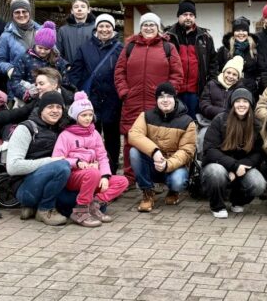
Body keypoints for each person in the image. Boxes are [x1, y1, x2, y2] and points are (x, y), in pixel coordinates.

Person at [114, 12, 184, 186]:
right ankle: (130, 178)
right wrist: (124, 92)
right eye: (145, 24)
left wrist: (168, 95)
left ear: (158, 27)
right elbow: (119, 72)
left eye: (152, 24)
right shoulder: (130, 46)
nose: (148, 27)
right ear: (140, 27)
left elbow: (177, 74)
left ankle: (155, 177)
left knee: (157, 139)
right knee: (131, 138)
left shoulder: (168, 47)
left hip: (157, 103)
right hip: (133, 101)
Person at [52, 92, 130, 227]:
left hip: (94, 174)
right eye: (83, 115)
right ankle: (80, 210)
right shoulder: (65, 135)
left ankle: (94, 204)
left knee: (122, 181)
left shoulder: (95, 133)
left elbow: (102, 156)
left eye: (90, 115)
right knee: (93, 173)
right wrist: (76, 162)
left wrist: (105, 176)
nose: (88, 118)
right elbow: (57, 158)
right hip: (73, 175)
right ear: (75, 116)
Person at [2, 90, 75, 226]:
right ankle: (45, 210)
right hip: (25, 187)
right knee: (62, 166)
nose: (55, 111)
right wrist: (50, 162)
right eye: (50, 107)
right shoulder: (26, 128)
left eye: (58, 107)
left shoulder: (62, 128)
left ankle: (34, 207)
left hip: (53, 184)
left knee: (91, 204)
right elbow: (13, 167)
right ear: (41, 109)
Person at [127, 82, 196, 212]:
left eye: (169, 96)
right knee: (134, 152)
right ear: (156, 100)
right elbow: (133, 135)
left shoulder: (187, 122)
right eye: (161, 97)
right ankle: (147, 192)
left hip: (173, 166)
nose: (165, 100)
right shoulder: (146, 116)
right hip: (152, 163)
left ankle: (173, 191)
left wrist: (167, 164)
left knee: (178, 180)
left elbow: (186, 151)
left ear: (175, 99)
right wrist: (154, 152)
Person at [69, 13, 124, 172]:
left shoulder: (120, 49)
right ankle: (91, 171)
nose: (104, 29)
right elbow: (75, 73)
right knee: (90, 136)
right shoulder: (85, 48)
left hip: (113, 100)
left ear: (113, 29)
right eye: (101, 26)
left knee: (112, 138)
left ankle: (111, 170)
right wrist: (78, 93)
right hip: (90, 100)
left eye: (108, 26)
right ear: (96, 28)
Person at [201, 88, 267, 218]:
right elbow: (210, 150)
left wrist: (238, 168)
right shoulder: (220, 120)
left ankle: (237, 201)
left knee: (259, 184)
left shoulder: (255, 124)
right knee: (216, 172)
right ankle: (217, 206)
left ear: (250, 104)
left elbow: (258, 153)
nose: (241, 104)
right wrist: (234, 166)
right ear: (232, 103)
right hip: (218, 164)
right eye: (238, 101)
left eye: (245, 101)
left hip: (242, 166)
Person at [166, 0, 218, 120]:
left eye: (191, 15)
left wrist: (210, 85)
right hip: (174, 91)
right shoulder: (168, 37)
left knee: (194, 122)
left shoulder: (205, 37)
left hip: (197, 91)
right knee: (175, 122)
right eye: (185, 14)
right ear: (178, 16)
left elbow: (213, 63)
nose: (188, 18)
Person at [7, 21, 75, 103]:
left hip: (53, 99)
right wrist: (26, 93)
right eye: (40, 47)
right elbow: (15, 80)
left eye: (46, 49)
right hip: (30, 101)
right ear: (35, 44)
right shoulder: (25, 58)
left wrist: (58, 91)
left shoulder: (58, 61)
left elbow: (65, 83)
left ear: (51, 48)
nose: (42, 51)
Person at [197, 56, 246, 152]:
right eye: (228, 72)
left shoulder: (241, 90)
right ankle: (201, 158)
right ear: (223, 72)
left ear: (238, 77)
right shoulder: (211, 84)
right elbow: (204, 104)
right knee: (203, 136)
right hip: (209, 122)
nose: (230, 76)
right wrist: (223, 113)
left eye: (234, 74)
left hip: (232, 124)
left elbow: (242, 108)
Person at [0, 0, 41, 82]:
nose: (21, 15)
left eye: (24, 11)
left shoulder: (42, 32)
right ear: (12, 14)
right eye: (17, 12)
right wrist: (9, 69)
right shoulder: (6, 36)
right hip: (19, 82)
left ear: (29, 13)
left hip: (42, 81)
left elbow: (55, 54)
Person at [216, 16, 261, 95]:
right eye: (237, 30)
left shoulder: (255, 50)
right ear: (233, 32)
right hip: (228, 90)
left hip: (250, 90)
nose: (241, 33)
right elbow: (217, 70)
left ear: (247, 32)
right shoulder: (224, 50)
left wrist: (256, 84)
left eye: (244, 30)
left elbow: (260, 71)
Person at [56, 0, 95, 65]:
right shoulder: (63, 30)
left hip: (92, 69)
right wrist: (66, 66)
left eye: (83, 7)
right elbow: (57, 53)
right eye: (76, 7)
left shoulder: (96, 29)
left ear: (89, 10)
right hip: (70, 70)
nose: (79, 9)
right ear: (72, 11)